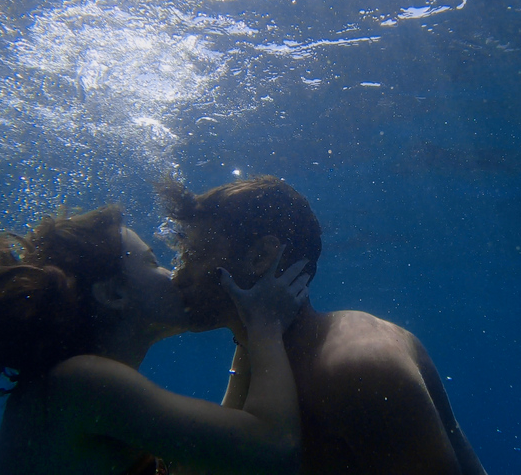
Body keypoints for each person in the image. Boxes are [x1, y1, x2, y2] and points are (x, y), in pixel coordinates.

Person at [0, 205, 309, 475]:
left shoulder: (76, 381)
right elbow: (272, 450)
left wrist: (247, 338)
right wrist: (264, 329)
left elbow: (208, 460)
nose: (171, 273)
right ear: (114, 294)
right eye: (150, 262)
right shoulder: (83, 381)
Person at [158, 175, 489, 475]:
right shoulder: (260, 351)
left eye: (195, 254)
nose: (178, 276)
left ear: (261, 258)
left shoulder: (360, 364)